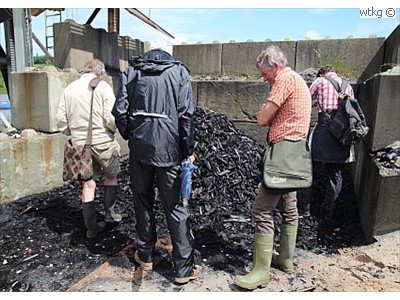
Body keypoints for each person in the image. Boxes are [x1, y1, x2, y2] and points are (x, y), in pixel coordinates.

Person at [112, 40, 201, 284]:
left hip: (140, 150)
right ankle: (183, 270)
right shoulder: (179, 72)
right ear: (167, 53)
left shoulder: (131, 71)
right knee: (175, 207)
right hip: (169, 151)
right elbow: (186, 114)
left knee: (142, 201)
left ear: (148, 52)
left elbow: (120, 110)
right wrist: (188, 149)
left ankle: (146, 256)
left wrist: (131, 135)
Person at [234, 45, 311, 290]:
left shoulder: (284, 80)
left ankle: (260, 272)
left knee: (261, 209)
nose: (263, 77)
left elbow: (262, 118)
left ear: (274, 66)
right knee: (289, 207)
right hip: (296, 153)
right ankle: (286, 259)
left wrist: (263, 109)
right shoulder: (297, 79)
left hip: (283, 153)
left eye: (264, 73)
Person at [56, 58, 122, 239]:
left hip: (79, 145)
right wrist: (113, 130)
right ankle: (110, 215)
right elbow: (111, 118)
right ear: (99, 72)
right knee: (111, 177)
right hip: (102, 141)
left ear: (85, 70)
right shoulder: (102, 86)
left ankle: (91, 229)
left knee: (88, 183)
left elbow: (61, 120)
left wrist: (75, 133)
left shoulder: (69, 88)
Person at [307, 65, 355, 220]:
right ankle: (327, 211)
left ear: (321, 73)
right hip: (342, 133)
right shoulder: (348, 86)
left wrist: (315, 103)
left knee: (309, 170)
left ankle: (305, 209)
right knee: (335, 176)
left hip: (324, 130)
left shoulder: (320, 81)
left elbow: (305, 100)